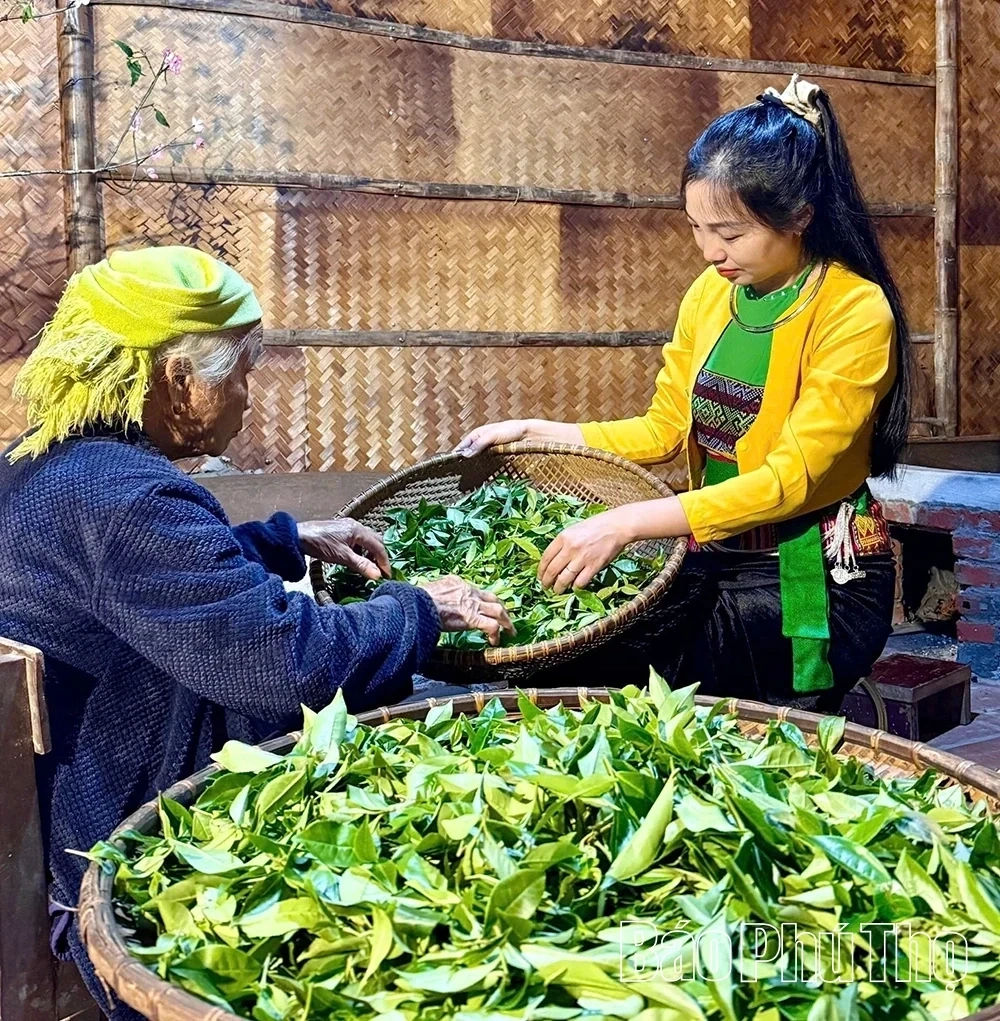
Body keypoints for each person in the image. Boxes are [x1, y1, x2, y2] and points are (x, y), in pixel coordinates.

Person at [0, 245, 511, 1013]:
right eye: (240, 370)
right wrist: (417, 608)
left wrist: (281, 537)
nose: (246, 393)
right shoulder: (126, 499)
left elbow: (140, 587)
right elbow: (285, 660)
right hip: (123, 826)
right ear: (175, 381)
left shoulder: (48, 459)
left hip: (77, 780)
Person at [458, 75, 907, 711]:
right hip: (715, 554)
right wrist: (538, 432)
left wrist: (625, 524)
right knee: (567, 643)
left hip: (813, 581)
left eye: (729, 233)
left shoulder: (854, 311)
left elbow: (790, 482)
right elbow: (665, 429)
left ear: (800, 216)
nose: (709, 251)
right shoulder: (710, 294)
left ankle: (827, 708)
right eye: (697, 228)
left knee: (651, 670)